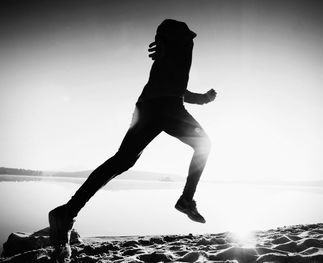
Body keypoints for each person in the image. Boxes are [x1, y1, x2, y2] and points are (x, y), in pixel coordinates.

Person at [49, 19, 217, 259]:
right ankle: (187, 200)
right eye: (187, 36)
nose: (191, 40)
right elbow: (171, 73)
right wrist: (165, 46)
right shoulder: (176, 48)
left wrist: (201, 98)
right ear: (176, 37)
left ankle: (67, 212)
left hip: (148, 107)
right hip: (167, 107)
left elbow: (177, 85)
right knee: (204, 144)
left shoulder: (172, 56)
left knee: (122, 161)